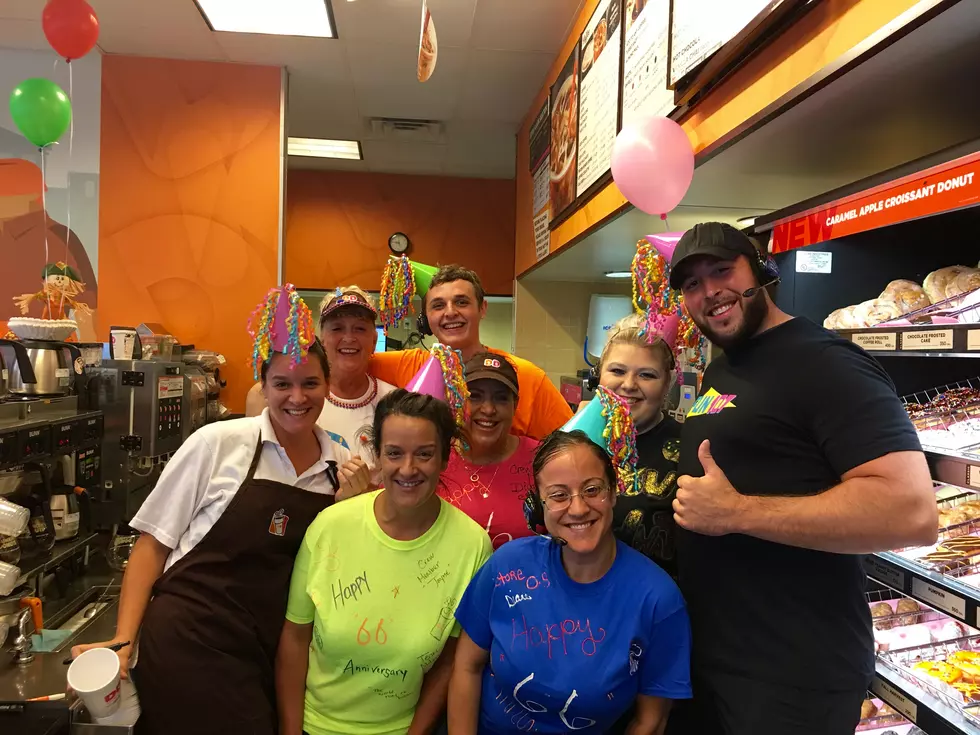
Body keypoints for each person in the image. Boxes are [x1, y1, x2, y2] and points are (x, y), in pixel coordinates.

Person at [667, 222, 938, 735]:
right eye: (692, 284)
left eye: (722, 271)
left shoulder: (826, 363)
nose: (709, 293)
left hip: (792, 675)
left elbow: (911, 511)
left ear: (761, 271)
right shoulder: (725, 367)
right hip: (718, 662)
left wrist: (737, 512)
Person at [71, 286, 372, 735]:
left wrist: (351, 508)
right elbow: (153, 544)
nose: (297, 397)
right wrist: (123, 642)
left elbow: (331, 572)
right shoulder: (218, 443)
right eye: (282, 384)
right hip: (192, 640)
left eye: (310, 383)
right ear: (263, 386)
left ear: (327, 387)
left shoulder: (339, 468)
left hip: (266, 649)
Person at [277, 389, 492, 735]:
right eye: (394, 453)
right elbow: (295, 639)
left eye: (424, 454)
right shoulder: (330, 528)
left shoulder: (472, 547)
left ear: (445, 458)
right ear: (377, 454)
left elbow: (451, 662)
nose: (408, 469)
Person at [448, 430, 692, 734]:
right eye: (559, 495)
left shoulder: (658, 600)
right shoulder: (506, 565)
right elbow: (466, 668)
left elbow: (650, 721)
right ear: (540, 505)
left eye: (592, 490)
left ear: (614, 493)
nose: (578, 508)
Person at [370, 264, 572, 439]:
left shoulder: (526, 376)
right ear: (426, 318)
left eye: (461, 302)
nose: (450, 312)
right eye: (438, 305)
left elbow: (572, 443)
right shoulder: (406, 365)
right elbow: (347, 363)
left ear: (482, 308)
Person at [247, 286, 395, 472]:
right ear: (322, 339)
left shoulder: (394, 402)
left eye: (359, 328)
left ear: (374, 341)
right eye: (337, 328)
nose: (349, 338)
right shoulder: (272, 398)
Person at [594, 313, 681, 576]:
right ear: (599, 375)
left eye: (646, 375)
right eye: (617, 371)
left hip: (662, 606)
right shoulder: (573, 442)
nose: (629, 385)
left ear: (667, 383)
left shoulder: (691, 448)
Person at [440, 352, 539, 549]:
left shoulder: (542, 460)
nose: (488, 409)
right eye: (475, 397)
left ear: (515, 405)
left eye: (501, 399)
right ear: (459, 399)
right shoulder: (435, 456)